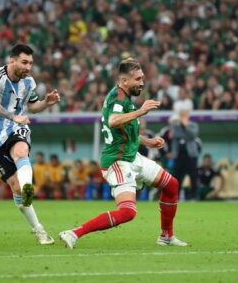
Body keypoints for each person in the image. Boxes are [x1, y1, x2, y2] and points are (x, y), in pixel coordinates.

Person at [59, 58, 187, 248]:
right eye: (137, 79)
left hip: (132, 157)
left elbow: (125, 128)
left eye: (142, 78)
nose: (142, 83)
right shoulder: (118, 99)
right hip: (117, 162)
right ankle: (74, 233)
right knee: (128, 212)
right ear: (124, 81)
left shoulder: (125, 98)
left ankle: (166, 236)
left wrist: (148, 141)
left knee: (171, 185)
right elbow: (113, 121)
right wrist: (141, 112)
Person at [0, 43, 60, 245]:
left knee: (21, 150)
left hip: (17, 129)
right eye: (24, 62)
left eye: (31, 63)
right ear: (12, 61)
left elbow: (33, 107)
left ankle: (28, 187)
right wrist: (12, 116)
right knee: (15, 188)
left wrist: (46, 102)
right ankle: (39, 229)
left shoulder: (29, 83)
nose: (28, 67)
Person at [171, 110, 201, 200]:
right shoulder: (176, 126)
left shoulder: (193, 125)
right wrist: (185, 131)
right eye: (182, 115)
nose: (183, 117)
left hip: (191, 155)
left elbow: (193, 135)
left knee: (193, 176)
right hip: (179, 154)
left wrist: (186, 126)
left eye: (185, 115)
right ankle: (176, 196)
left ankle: (194, 196)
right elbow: (176, 134)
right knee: (177, 176)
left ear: (188, 116)